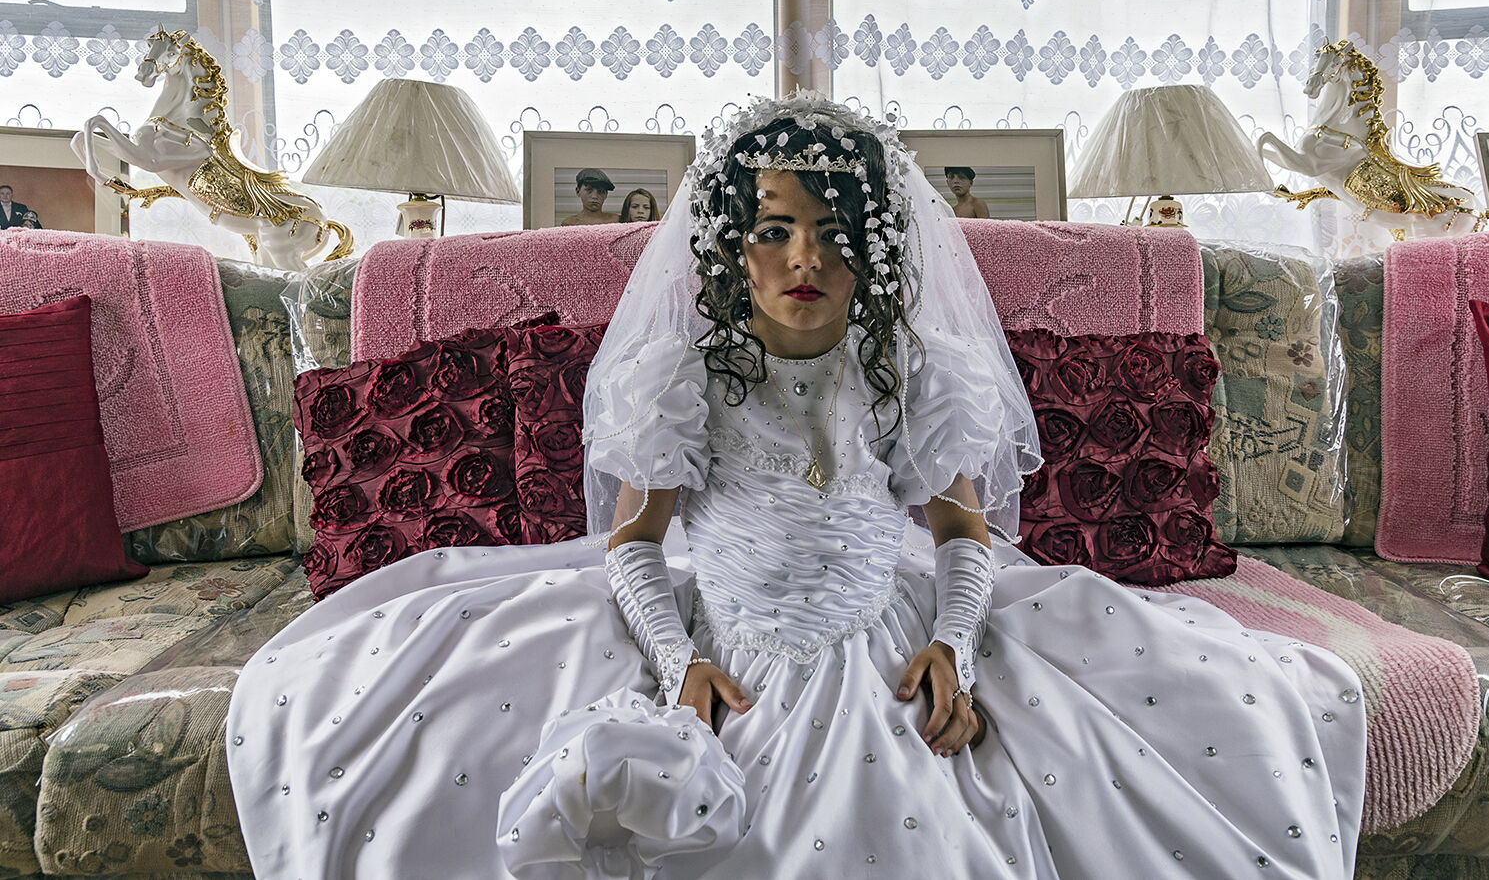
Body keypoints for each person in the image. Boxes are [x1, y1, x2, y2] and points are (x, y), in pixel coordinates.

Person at [227, 94, 1365, 879]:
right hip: (721, 608)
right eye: (774, 233)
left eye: (833, 234)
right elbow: (633, 541)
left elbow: (960, 521)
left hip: (887, 607)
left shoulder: (912, 361)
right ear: (731, 249)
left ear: (874, 248)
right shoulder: (687, 368)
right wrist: (678, 661)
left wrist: (958, 643)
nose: (804, 261)